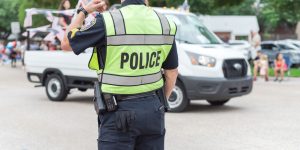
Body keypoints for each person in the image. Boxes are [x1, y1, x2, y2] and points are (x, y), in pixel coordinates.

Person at [62, 0, 178, 149]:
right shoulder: (165, 23)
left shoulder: (107, 21)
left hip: (118, 113)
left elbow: (66, 43)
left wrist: (83, 12)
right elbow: (172, 73)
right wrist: (160, 105)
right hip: (153, 110)